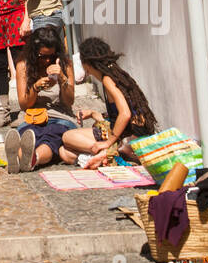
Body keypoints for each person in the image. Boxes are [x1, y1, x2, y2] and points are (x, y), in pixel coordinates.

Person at [62, 36, 159, 167]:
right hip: (129, 132)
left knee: (67, 137)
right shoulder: (115, 74)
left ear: (88, 64)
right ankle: (103, 158)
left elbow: (125, 114)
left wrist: (108, 142)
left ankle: (110, 153)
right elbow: (118, 113)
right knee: (64, 153)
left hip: (127, 136)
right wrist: (92, 113)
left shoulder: (108, 79)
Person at [6, 24, 79, 172]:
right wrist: (36, 87)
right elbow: (24, 105)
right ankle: (18, 157)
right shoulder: (23, 65)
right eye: (42, 56)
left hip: (60, 116)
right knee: (30, 135)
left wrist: (62, 78)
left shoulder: (65, 64)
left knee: (50, 137)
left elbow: (69, 101)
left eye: (51, 56)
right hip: (33, 116)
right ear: (34, 52)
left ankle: (33, 159)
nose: (46, 61)